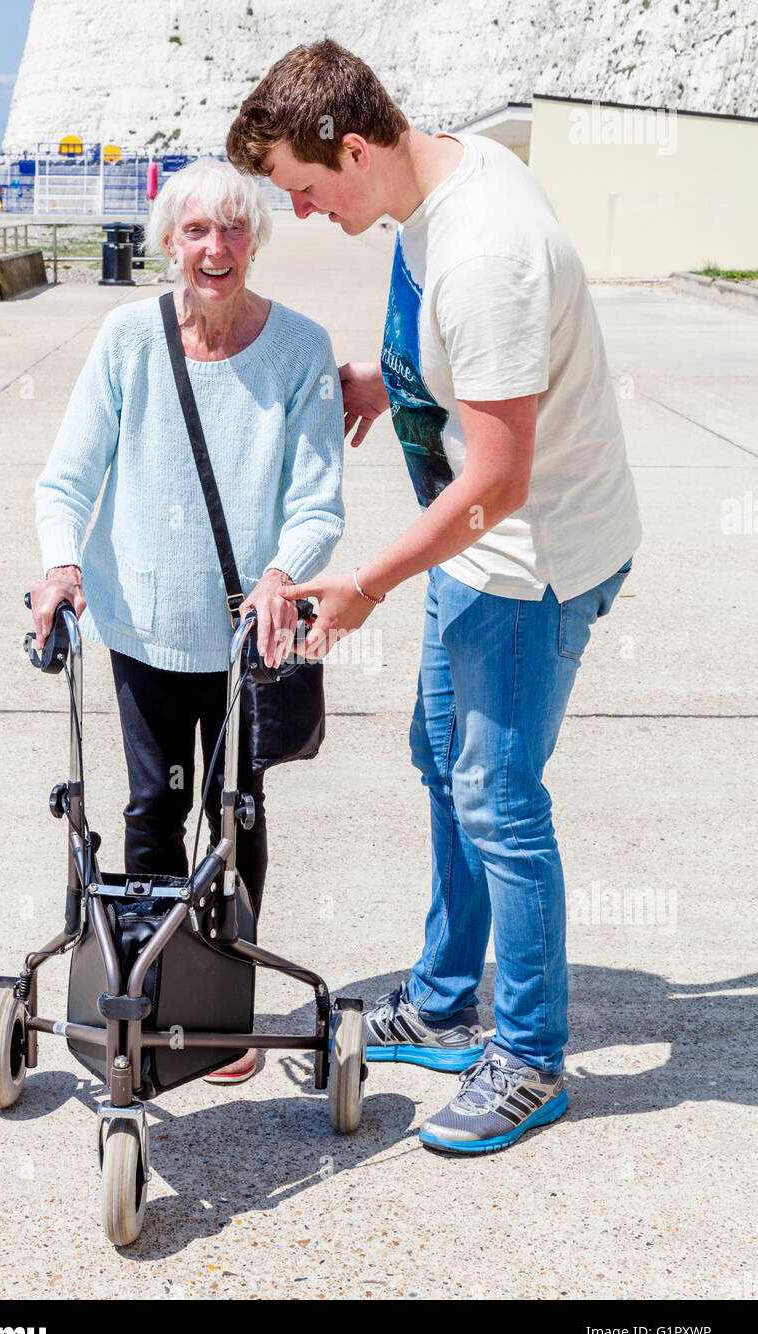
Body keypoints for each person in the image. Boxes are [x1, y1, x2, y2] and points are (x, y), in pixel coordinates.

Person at [228, 40, 641, 1148]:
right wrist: (387, 377)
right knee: (439, 759)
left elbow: (499, 481)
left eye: (306, 191)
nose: (304, 215)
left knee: (498, 798)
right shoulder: (436, 178)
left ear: (353, 148)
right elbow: (463, 356)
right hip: (473, 553)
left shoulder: (484, 253)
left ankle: (528, 1057)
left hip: (527, 559)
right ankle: (447, 995)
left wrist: (361, 579)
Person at [30, 157, 344, 1083]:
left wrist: (288, 573)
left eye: (234, 230)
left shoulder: (299, 349)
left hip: (249, 641)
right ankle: (157, 992)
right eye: (197, 231)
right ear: (169, 242)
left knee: (238, 815)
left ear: (256, 241)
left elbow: (317, 499)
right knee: (152, 811)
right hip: (142, 629)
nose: (216, 249)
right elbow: (70, 473)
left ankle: (227, 998)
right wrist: (60, 561)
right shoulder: (129, 339)